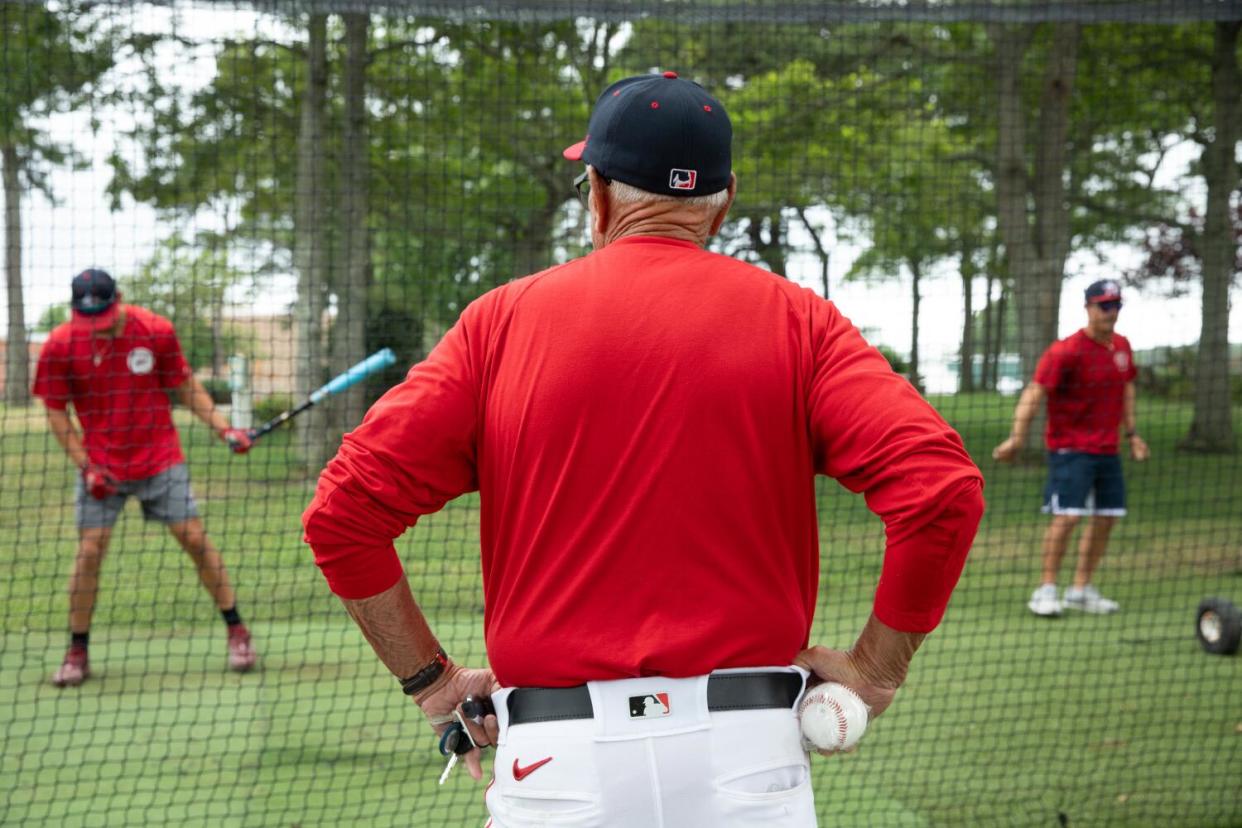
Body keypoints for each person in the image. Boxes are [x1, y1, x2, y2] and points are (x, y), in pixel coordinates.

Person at [303, 71, 984, 827]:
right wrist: (876, 672)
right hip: (749, 759)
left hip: (558, 769)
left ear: (596, 193)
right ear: (724, 202)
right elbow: (941, 490)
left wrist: (432, 684)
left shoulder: (500, 324)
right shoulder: (801, 322)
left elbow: (341, 518)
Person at [32, 268, 259, 687]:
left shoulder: (155, 331)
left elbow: (186, 387)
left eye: (104, 319)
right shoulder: (60, 344)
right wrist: (85, 465)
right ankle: (77, 650)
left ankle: (237, 630)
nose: (99, 330)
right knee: (90, 551)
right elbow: (54, 411)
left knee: (194, 538)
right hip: (101, 467)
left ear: (118, 300)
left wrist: (223, 428)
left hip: (160, 457)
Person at [993, 279, 1149, 617]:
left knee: (1107, 518)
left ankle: (1080, 589)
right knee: (1067, 517)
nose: (1111, 312)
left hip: (1108, 451)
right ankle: (1047, 589)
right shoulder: (1065, 351)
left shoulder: (1122, 347)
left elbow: (1127, 391)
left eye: (1116, 305)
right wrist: (1017, 438)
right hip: (1070, 450)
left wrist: (1133, 434)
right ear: (1088, 308)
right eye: (1104, 305)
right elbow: (1034, 393)